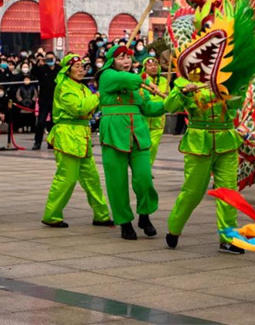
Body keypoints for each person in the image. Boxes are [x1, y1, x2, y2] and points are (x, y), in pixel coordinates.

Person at [163, 66, 245, 254]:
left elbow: (236, 105)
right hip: (199, 142)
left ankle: (228, 239)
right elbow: (169, 106)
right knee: (193, 192)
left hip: (226, 140)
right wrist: (182, 92)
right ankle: (174, 228)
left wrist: (234, 87)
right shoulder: (187, 78)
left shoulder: (229, 77)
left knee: (229, 192)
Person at [98, 46, 165, 240]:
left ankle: (144, 215)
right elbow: (126, 79)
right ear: (112, 61)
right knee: (116, 183)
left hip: (138, 134)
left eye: (128, 57)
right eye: (121, 57)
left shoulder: (138, 86)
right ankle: (125, 222)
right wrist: (146, 80)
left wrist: (173, 101)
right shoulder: (107, 76)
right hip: (113, 135)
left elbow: (149, 108)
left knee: (144, 179)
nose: (126, 61)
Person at [41, 54, 112, 228]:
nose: (82, 70)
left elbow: (95, 105)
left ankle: (101, 215)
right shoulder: (64, 87)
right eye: (78, 66)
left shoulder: (83, 88)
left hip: (83, 136)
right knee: (67, 179)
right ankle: (52, 215)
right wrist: (98, 96)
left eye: (83, 67)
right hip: (67, 136)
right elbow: (79, 108)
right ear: (68, 69)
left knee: (92, 179)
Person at [141, 56, 169, 166]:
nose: (153, 67)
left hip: (159, 118)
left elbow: (168, 97)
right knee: (144, 144)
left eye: (155, 65)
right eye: (150, 65)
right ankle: (142, 166)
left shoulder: (164, 81)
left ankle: (148, 167)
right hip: (144, 116)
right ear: (144, 68)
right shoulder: (141, 79)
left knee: (154, 145)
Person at [32, 51, 60, 150]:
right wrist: (38, 63)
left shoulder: (59, 69)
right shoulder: (42, 69)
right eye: (47, 58)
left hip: (56, 100)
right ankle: (37, 142)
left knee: (53, 122)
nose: (49, 61)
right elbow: (33, 73)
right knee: (40, 122)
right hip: (44, 100)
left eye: (51, 58)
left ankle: (51, 142)